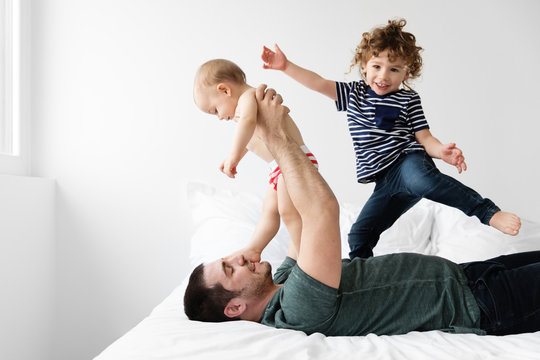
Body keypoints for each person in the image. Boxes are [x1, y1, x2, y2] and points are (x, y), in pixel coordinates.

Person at [183, 84, 540, 337]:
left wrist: (279, 145)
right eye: (230, 269)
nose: (238, 258)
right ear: (234, 309)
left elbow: (296, 218)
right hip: (482, 303)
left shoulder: (285, 281)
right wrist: (276, 137)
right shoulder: (296, 309)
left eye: (229, 258)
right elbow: (322, 210)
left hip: (464, 276)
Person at [260, 19, 521, 259]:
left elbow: (424, 137)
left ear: (407, 74)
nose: (383, 76)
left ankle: (489, 213)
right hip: (385, 181)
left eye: (394, 69)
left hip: (408, 162)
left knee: (422, 180)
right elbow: (317, 82)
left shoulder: (409, 99)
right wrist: (285, 66)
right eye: (376, 66)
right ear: (364, 66)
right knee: (359, 235)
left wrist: (441, 151)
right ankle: (364, 281)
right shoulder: (353, 93)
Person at [193, 59, 319, 262]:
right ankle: (254, 249)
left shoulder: (248, 98)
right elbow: (251, 139)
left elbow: (248, 123)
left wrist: (233, 155)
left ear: (224, 90)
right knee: (269, 211)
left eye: (215, 110)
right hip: (278, 167)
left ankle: (306, 260)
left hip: (295, 161)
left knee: (289, 213)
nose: (218, 117)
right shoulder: (245, 109)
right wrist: (235, 158)